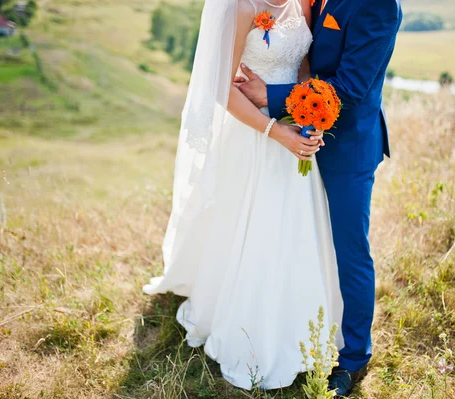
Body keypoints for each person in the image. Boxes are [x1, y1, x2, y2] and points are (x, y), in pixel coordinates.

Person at [143, 0, 345, 391]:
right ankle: (249, 330)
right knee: (255, 227)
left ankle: (300, 327)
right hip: (254, 137)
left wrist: (310, 118)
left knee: (295, 231)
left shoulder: (303, 3)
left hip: (293, 132)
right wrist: (275, 131)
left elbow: (303, 69)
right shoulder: (241, 7)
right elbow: (223, 89)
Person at [235, 0, 402, 394]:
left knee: (349, 250)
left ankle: (354, 357)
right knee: (297, 237)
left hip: (347, 148)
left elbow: (351, 88)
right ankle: (294, 329)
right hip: (296, 137)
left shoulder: (378, 6)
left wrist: (272, 96)